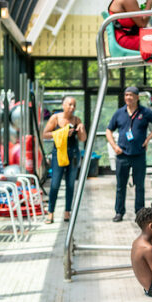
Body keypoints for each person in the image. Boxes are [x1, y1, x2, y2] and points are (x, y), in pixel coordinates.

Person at [106, 86, 152, 222]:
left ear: (137, 97)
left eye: (131, 95)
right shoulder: (119, 113)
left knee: (140, 185)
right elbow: (109, 130)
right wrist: (114, 146)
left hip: (138, 154)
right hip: (122, 155)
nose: (128, 98)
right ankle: (119, 212)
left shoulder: (145, 112)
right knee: (121, 186)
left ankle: (140, 212)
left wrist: (148, 138)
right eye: (126, 95)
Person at [42, 96, 87, 224]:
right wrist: (62, 133)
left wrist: (81, 129)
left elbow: (83, 139)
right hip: (58, 154)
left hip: (73, 154)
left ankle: (67, 211)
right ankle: (51, 212)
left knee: (70, 184)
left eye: (74, 105)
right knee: (55, 184)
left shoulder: (77, 120)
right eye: (69, 104)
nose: (72, 107)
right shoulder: (55, 118)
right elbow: (45, 134)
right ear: (63, 105)